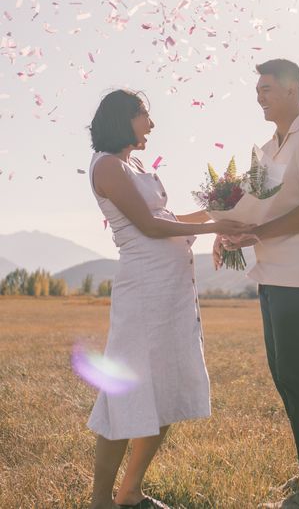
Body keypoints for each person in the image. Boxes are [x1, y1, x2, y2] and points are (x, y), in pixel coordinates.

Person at [86, 89, 248, 509]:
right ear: (124, 118)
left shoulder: (135, 165)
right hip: (143, 293)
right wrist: (214, 228)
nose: (152, 125)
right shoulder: (107, 166)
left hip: (172, 293)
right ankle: (100, 500)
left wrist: (215, 213)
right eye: (145, 115)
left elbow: (167, 219)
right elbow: (149, 227)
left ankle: (131, 491)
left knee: (164, 390)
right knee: (124, 393)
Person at [214, 59, 299, 509]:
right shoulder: (270, 148)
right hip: (272, 273)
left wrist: (256, 235)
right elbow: (257, 210)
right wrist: (227, 234)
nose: (259, 96)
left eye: (266, 88)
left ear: (292, 90)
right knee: (283, 375)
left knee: (298, 376)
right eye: (257, 89)